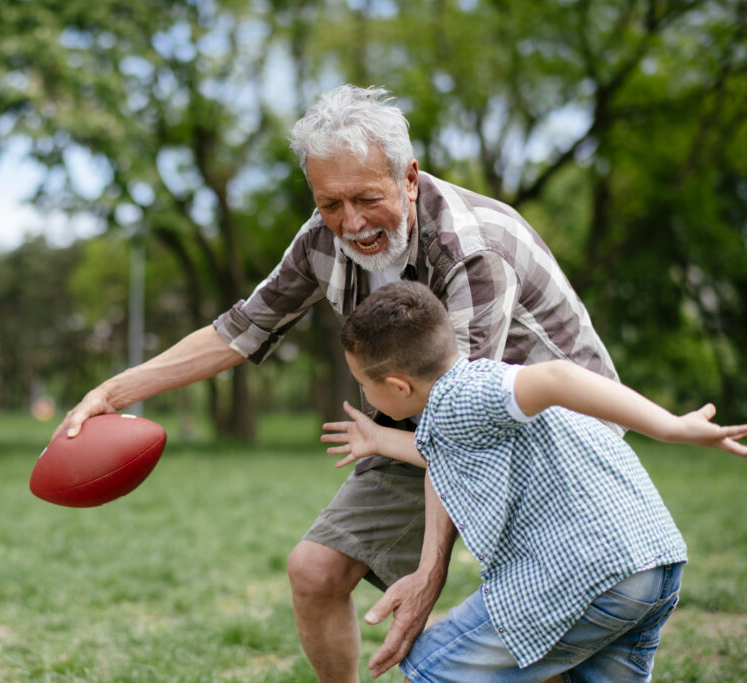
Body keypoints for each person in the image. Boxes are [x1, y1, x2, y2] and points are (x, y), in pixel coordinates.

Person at [56, 84, 619, 682]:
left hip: (550, 437)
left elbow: (463, 420)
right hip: (417, 427)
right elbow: (241, 329)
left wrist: (428, 577)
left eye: (366, 198)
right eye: (330, 203)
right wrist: (111, 394)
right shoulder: (323, 239)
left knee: (533, 627)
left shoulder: (471, 248)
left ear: (408, 176)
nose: (351, 224)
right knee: (314, 570)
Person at [322, 280, 747, 681]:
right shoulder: (462, 409)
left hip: (586, 574)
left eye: (364, 383)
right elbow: (442, 448)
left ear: (398, 387)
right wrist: (378, 438)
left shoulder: (464, 395)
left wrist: (672, 427)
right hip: (652, 563)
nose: (363, 392)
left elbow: (557, 378)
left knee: (434, 669)